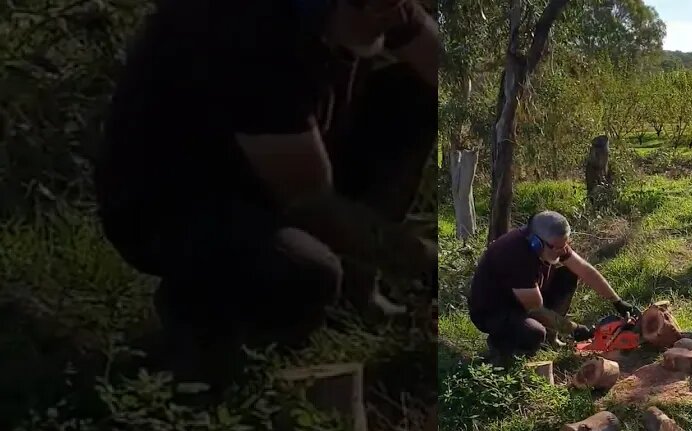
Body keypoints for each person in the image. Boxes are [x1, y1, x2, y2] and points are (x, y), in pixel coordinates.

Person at [93, 0, 442, 386]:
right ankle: (197, 326)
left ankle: (356, 291)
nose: (395, 14)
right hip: (174, 200)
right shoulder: (249, 34)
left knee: (420, 97)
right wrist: (428, 262)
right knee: (305, 272)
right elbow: (313, 205)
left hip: (279, 156)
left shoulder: (374, 6)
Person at [468, 211, 640, 364]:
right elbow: (536, 309)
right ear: (536, 242)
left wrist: (617, 301)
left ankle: (551, 336)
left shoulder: (551, 244)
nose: (562, 251)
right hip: (495, 312)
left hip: (526, 298)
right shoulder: (516, 256)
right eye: (557, 247)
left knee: (568, 275)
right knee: (534, 333)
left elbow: (585, 270)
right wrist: (574, 329)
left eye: (564, 245)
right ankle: (502, 347)